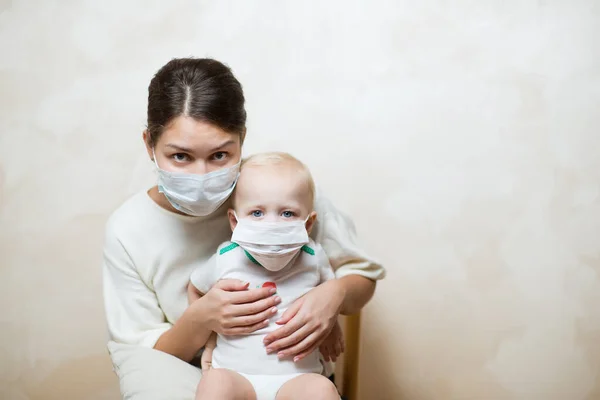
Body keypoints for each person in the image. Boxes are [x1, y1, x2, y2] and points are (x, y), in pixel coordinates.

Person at [102, 57, 386, 400]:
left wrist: (334, 294)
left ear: (242, 139)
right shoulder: (127, 230)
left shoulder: (282, 193)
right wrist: (204, 317)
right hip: (205, 379)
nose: (202, 175)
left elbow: (362, 278)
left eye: (220, 155)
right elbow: (143, 353)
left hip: (296, 376)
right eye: (180, 156)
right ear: (150, 145)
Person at [190, 152, 344, 400]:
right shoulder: (226, 257)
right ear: (234, 221)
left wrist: (332, 327)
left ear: (307, 224)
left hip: (297, 379)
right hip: (235, 375)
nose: (271, 225)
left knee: (322, 390)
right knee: (214, 383)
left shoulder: (314, 256)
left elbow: (329, 296)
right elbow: (196, 289)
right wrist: (210, 339)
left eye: (287, 214)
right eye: (257, 213)